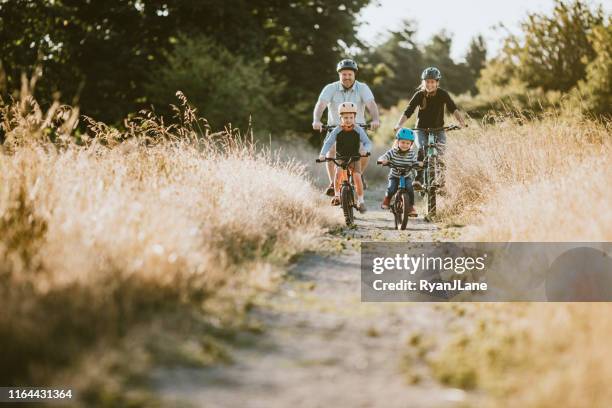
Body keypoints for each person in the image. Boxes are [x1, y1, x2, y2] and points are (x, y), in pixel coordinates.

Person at [313, 59, 380, 196]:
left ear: (354, 74)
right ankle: (333, 183)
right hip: (335, 128)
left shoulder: (363, 88)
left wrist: (375, 119)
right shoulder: (330, 88)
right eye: (344, 74)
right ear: (339, 75)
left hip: (357, 128)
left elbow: (371, 104)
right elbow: (321, 104)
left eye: (349, 74)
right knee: (330, 152)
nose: (347, 77)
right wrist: (316, 120)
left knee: (364, 151)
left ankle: (358, 174)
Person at [393, 67, 466, 189]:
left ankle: (441, 180)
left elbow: (452, 108)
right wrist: (399, 124)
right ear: (423, 82)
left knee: (441, 153)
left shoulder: (442, 94)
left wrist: (461, 121)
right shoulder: (419, 94)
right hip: (421, 129)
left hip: (438, 129)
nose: (430, 84)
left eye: (432, 82)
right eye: (427, 81)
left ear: (437, 82)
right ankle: (418, 179)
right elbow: (409, 110)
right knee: (422, 149)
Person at [319, 102, 372, 213]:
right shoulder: (337, 130)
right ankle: (337, 196)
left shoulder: (358, 129)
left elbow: (367, 142)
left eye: (351, 117)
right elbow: (328, 143)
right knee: (338, 174)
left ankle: (361, 201)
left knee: (357, 177)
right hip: (341, 157)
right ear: (340, 118)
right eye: (345, 117)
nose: (348, 120)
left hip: (355, 157)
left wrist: (365, 150)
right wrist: (323, 154)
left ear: (354, 117)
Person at [378, 128, 420, 216]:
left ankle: (411, 206)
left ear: (411, 144)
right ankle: (387, 199)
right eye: (403, 142)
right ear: (398, 142)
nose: (405, 145)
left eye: (408, 143)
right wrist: (383, 160)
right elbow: (384, 157)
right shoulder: (393, 152)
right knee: (391, 189)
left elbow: (415, 162)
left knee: (410, 189)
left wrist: (419, 164)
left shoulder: (411, 154)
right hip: (394, 176)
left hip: (406, 176)